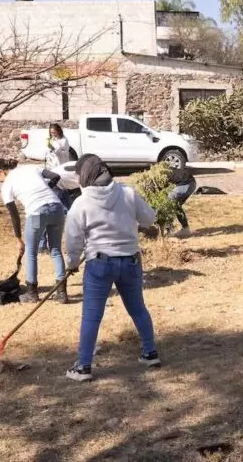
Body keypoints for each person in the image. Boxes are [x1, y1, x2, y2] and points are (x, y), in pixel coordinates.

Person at [63, 155, 160, 382]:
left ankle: (83, 366)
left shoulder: (81, 203)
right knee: (138, 308)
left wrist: (72, 263)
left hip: (99, 264)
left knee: (91, 316)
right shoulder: (128, 193)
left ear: (84, 176)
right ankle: (150, 353)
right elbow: (149, 218)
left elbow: (73, 238)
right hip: (130, 261)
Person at [0, 158, 68, 304]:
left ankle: (32, 293)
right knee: (56, 250)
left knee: (31, 252)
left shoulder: (7, 185)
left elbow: (14, 214)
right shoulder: (31, 168)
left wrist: (19, 239)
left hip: (37, 214)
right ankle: (62, 293)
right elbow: (55, 176)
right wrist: (46, 189)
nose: (0, 181)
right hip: (57, 209)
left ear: (1, 172)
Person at [167, 166, 197, 238]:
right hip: (192, 183)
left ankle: (169, 230)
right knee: (177, 206)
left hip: (186, 184)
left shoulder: (162, 177)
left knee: (168, 203)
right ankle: (185, 229)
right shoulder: (169, 171)